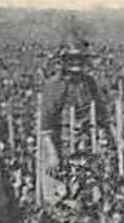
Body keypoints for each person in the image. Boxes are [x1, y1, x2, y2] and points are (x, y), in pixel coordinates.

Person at [37, 24, 112, 205]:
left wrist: (106, 137)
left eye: (79, 60)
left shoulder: (89, 83)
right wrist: (53, 155)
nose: (76, 64)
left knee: (90, 191)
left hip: (86, 142)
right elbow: (46, 125)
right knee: (61, 195)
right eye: (71, 60)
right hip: (60, 144)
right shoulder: (55, 85)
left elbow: (101, 114)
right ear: (63, 61)